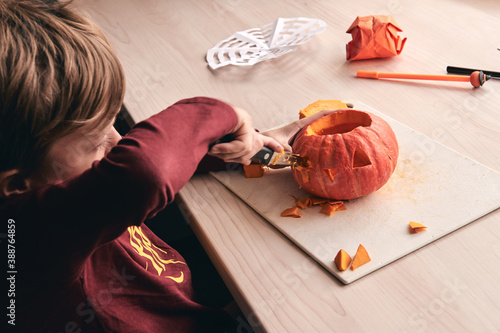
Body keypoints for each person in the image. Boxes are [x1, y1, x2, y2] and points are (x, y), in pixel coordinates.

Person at [0, 1, 337, 332]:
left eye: (112, 122)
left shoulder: (55, 184)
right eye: (94, 142)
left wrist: (240, 146)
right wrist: (229, 116)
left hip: (180, 303)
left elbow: (133, 160)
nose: (118, 143)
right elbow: (141, 170)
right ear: (16, 185)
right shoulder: (24, 233)